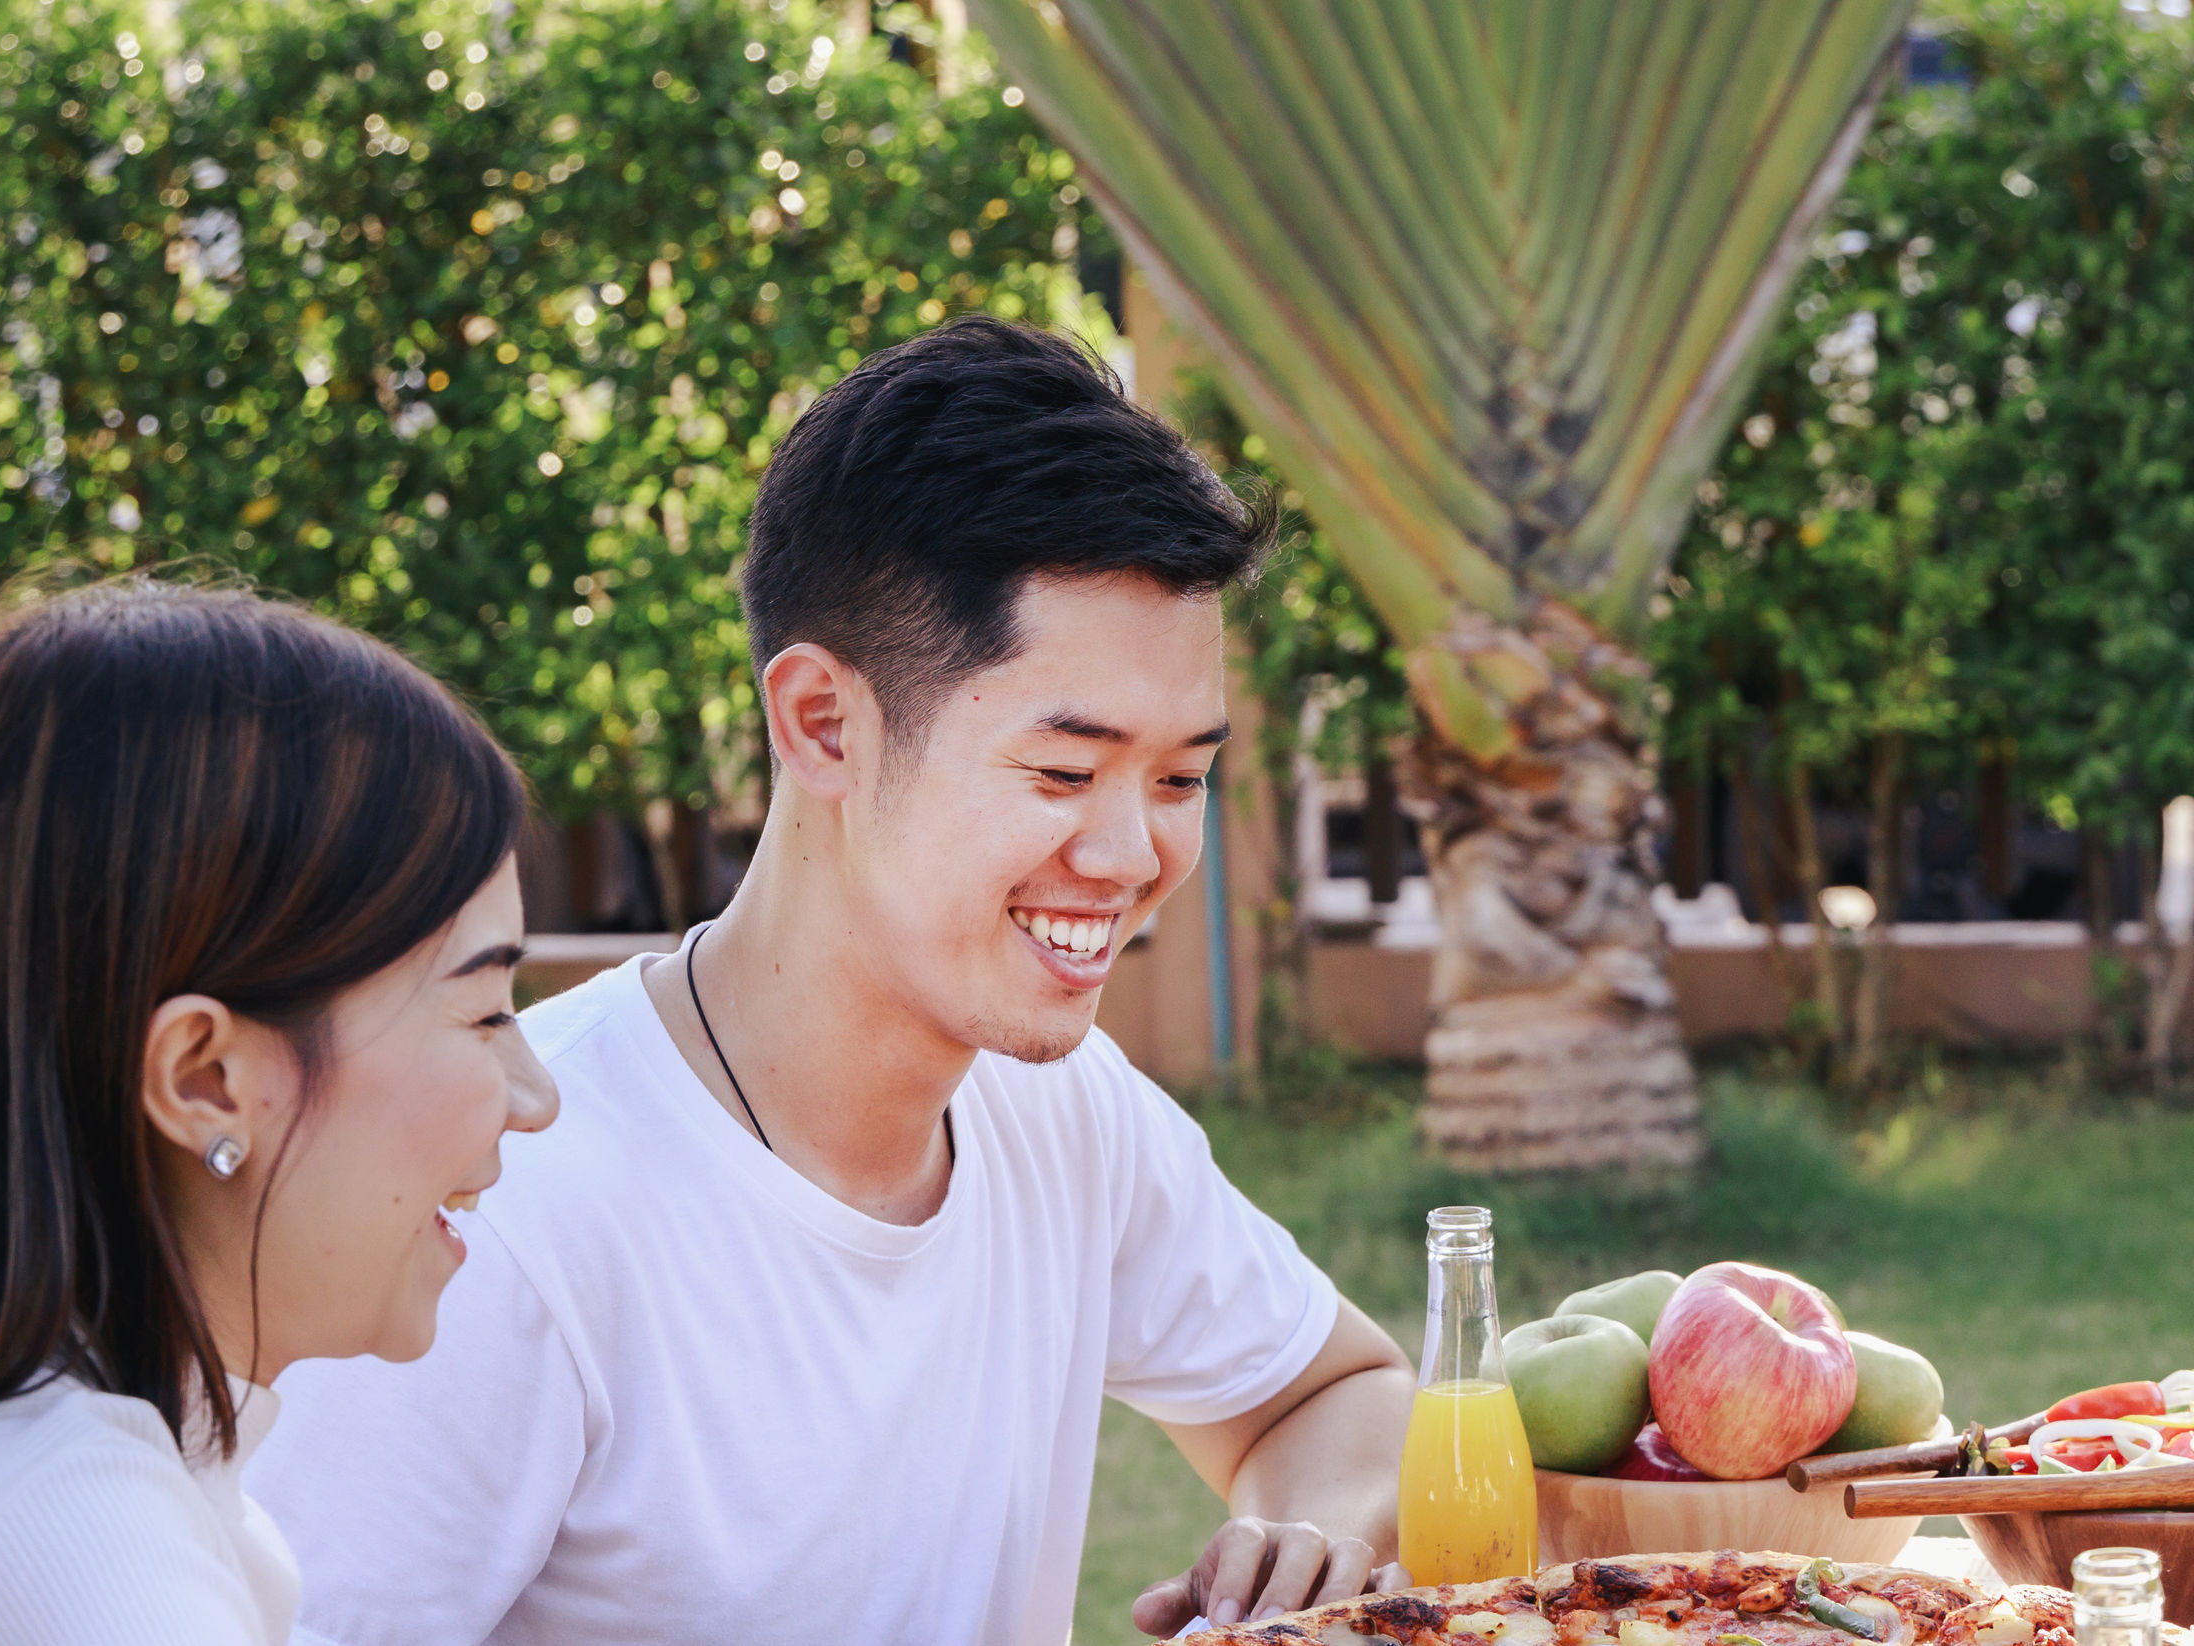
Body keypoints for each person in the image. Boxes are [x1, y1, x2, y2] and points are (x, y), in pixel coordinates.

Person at [246, 317, 1414, 1645]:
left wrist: (1302, 1547)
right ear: (823, 724)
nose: (1135, 852)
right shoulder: (492, 1207)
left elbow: (1337, 1390)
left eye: (1181, 776)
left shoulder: (1068, 1112)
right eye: (1064, 772)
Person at [0, 580, 562, 1644]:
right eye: (484, 1010)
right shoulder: (71, 1534)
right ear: (203, 1077)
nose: (538, 1097)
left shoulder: (32, 1453)